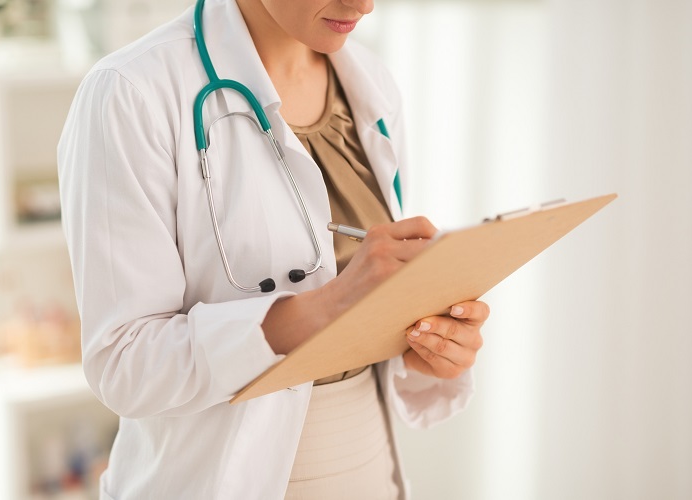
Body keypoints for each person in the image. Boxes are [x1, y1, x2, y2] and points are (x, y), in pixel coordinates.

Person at [57, 0, 490, 498]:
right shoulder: (132, 92)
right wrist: (328, 306)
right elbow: (124, 365)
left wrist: (427, 341)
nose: (364, 5)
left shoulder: (371, 80)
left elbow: (368, 321)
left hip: (372, 469)